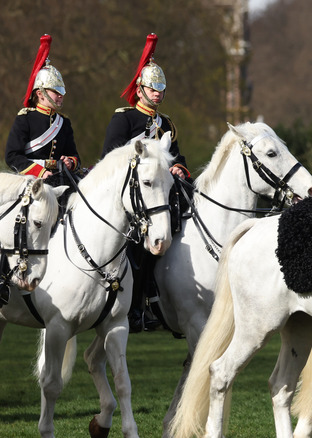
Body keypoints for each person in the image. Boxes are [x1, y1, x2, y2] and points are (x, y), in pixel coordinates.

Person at [102, 33, 191, 333]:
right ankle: (135, 306)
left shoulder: (164, 123)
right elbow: (110, 158)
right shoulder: (125, 119)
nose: (157, 94)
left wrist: (178, 168)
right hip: (133, 198)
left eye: (160, 89)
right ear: (140, 90)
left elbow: (178, 156)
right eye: (152, 88)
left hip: (161, 195)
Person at [5, 35, 81, 182]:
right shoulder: (25, 119)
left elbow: (74, 155)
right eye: (56, 92)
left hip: (59, 179)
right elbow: (12, 156)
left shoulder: (64, 123)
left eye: (61, 93)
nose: (60, 96)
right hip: (30, 180)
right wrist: (40, 172)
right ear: (40, 94)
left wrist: (70, 162)